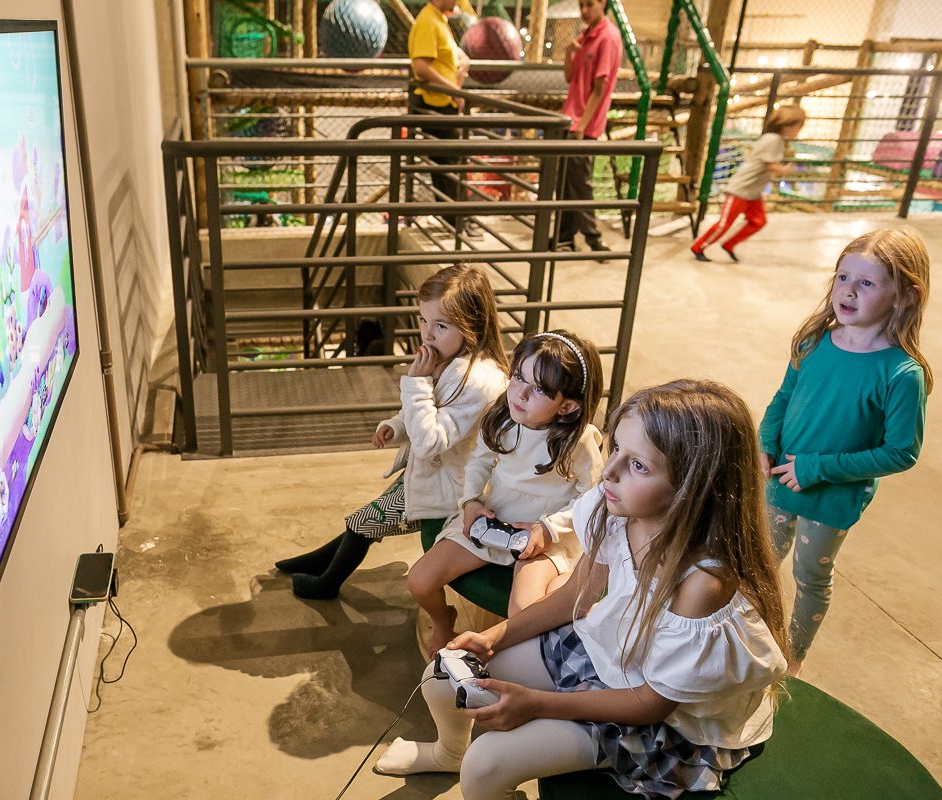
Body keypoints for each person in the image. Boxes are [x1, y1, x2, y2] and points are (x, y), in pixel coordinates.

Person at [375, 380, 790, 800]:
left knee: (484, 768)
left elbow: (652, 703)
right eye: (616, 451)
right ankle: (449, 751)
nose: (608, 472)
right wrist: (490, 637)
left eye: (639, 466)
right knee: (442, 674)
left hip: (665, 713)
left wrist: (535, 703)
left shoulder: (704, 582)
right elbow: (578, 594)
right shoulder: (615, 506)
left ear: (693, 487)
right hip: (612, 651)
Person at [275, 265, 508, 599]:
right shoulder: (452, 359)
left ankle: (326, 583)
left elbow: (429, 441)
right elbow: (422, 410)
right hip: (430, 474)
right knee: (366, 519)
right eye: (423, 320)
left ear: (473, 325)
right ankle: (320, 561)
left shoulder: (475, 381)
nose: (427, 334)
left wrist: (415, 381)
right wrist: (395, 426)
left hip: (449, 489)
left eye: (440, 325)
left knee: (362, 524)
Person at [759, 227, 930, 677]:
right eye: (842, 277)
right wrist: (763, 443)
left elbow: (900, 453)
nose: (848, 291)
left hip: (830, 499)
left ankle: (792, 658)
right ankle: (743, 637)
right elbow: (783, 398)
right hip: (778, 481)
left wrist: (818, 468)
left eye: (867, 283)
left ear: (906, 296)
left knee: (809, 578)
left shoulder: (901, 373)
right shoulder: (814, 341)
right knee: (756, 563)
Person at [408, 331, 604, 657]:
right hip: (497, 514)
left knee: (523, 612)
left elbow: (593, 498)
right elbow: (479, 462)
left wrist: (548, 529)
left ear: (567, 405)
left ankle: (529, 667)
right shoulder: (502, 416)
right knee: (419, 581)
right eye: (517, 377)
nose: (520, 393)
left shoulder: (578, 442)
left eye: (539, 389)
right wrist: (470, 502)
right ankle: (444, 622)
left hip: (548, 532)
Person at [692, 104, 806, 262]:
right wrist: (784, 169)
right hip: (741, 190)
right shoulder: (773, 139)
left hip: (753, 193)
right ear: (787, 124)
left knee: (759, 221)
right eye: (797, 127)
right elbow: (770, 165)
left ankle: (729, 244)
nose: (797, 131)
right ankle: (698, 247)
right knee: (724, 224)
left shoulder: (776, 140)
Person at [557, 0, 622, 255]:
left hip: (584, 124)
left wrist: (582, 126)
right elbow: (570, 78)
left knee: (580, 183)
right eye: (581, 5)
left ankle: (593, 238)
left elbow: (600, 87)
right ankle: (564, 238)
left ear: (602, 3)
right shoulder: (586, 35)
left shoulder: (608, 36)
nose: (583, 11)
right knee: (566, 182)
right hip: (570, 119)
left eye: (589, 5)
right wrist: (567, 53)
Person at [407, 0, 472, 231]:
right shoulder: (428, 21)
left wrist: (464, 60)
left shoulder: (438, 20)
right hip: (435, 105)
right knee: (449, 167)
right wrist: (453, 90)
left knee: (449, 165)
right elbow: (420, 67)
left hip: (442, 104)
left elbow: (453, 54)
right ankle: (456, 223)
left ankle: (455, 221)